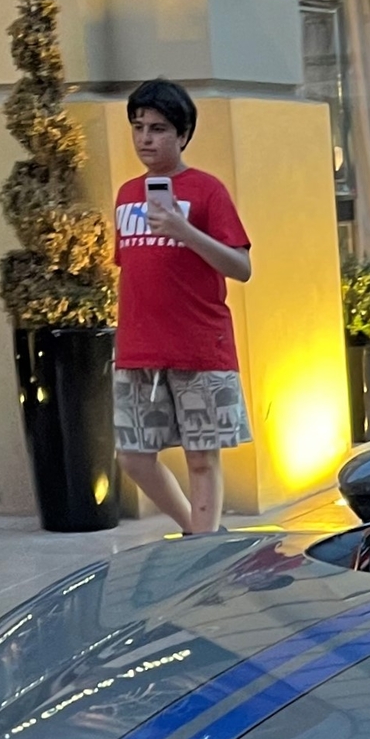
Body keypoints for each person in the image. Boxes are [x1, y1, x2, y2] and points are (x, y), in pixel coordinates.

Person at [111, 78, 253, 535]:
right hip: (138, 347)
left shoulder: (207, 191)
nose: (146, 139)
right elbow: (132, 268)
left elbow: (241, 266)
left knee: (200, 455)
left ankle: (205, 546)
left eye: (158, 128)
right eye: (138, 127)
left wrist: (184, 230)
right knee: (133, 457)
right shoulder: (126, 194)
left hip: (199, 343)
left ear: (183, 134)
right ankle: (195, 530)